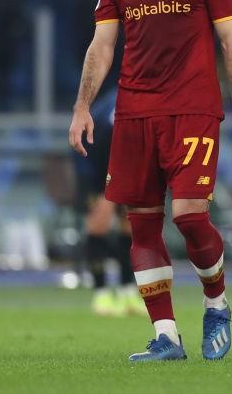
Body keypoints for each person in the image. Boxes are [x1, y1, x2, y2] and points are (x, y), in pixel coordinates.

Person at [68, 0, 232, 362]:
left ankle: (216, 303)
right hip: (134, 112)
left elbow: (230, 42)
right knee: (142, 226)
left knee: (190, 217)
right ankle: (167, 336)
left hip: (193, 108)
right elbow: (103, 45)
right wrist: (83, 107)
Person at [76, 85, 145, 318]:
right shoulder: (114, 110)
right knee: (99, 224)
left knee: (130, 225)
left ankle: (127, 291)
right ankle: (101, 294)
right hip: (95, 168)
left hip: (128, 168)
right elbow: (93, 144)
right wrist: (97, 189)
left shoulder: (149, 104)